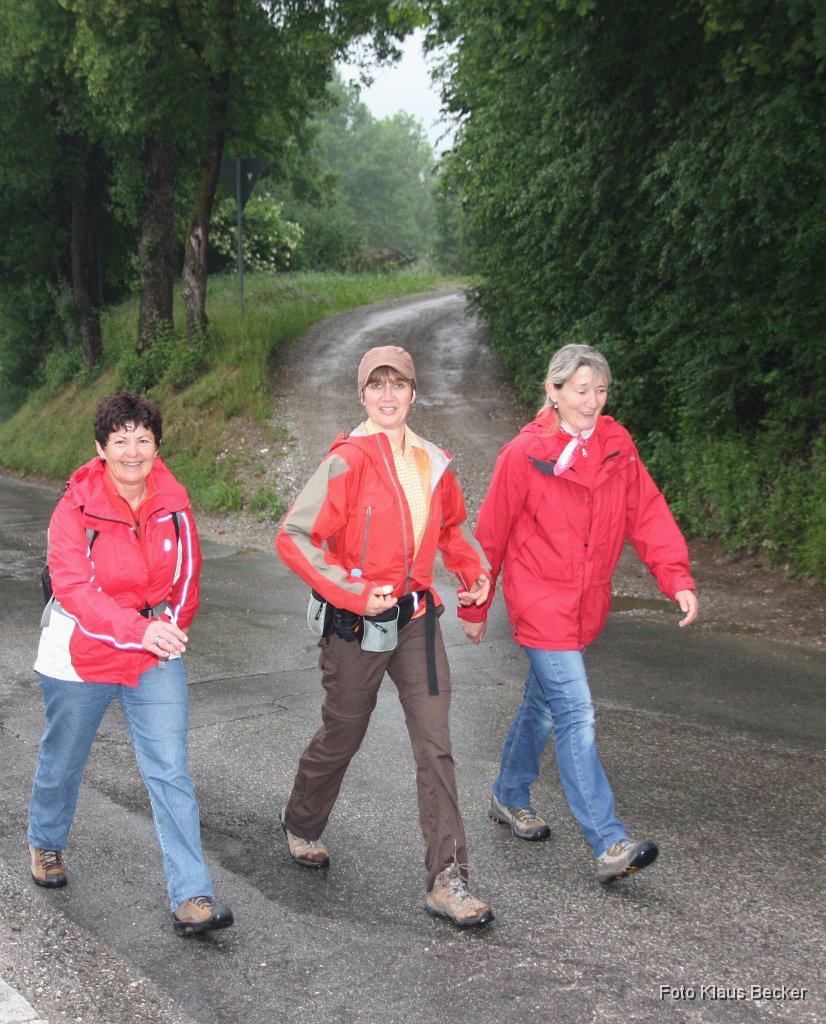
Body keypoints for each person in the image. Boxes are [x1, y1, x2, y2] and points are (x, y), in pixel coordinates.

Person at [276, 345, 494, 927]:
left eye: (399, 385)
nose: (389, 395)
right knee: (344, 731)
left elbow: (452, 530)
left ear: (414, 393)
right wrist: (351, 591)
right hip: (356, 625)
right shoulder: (347, 460)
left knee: (435, 743)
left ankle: (448, 879)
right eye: (378, 386)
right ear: (363, 395)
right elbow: (295, 537)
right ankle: (303, 819)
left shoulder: (434, 461)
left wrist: (475, 582)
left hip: (417, 620)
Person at [467, 344, 699, 884]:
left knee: (545, 706)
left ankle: (508, 793)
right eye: (580, 390)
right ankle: (608, 840)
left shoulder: (617, 445)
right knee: (577, 712)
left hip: (585, 603)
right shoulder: (522, 454)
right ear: (553, 391)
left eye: (600, 390)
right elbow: (490, 537)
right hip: (539, 599)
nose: (592, 401)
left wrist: (676, 577)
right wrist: (476, 604)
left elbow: (647, 514)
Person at [28, 391, 233, 936]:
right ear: (101, 448)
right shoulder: (73, 507)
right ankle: (46, 842)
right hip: (81, 651)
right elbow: (75, 592)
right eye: (120, 441)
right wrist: (141, 630)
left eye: (143, 439)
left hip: (152, 647)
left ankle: (192, 894)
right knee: (65, 757)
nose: (133, 451)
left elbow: (188, 576)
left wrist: (171, 629)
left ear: (157, 445)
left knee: (170, 769)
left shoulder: (174, 500)